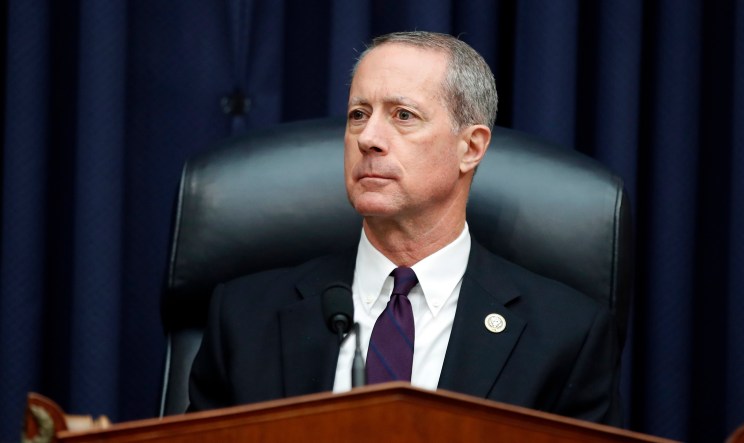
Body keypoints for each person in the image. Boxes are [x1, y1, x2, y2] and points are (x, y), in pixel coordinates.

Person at [188, 31, 622, 426]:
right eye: (358, 114)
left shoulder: (566, 336)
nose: (368, 138)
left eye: (403, 115)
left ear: (470, 147)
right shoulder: (245, 318)